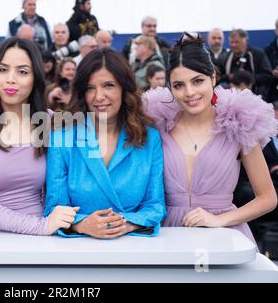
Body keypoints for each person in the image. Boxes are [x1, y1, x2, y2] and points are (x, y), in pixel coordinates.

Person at [143, 32, 277, 245]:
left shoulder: (238, 123)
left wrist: (219, 220)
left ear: (213, 77)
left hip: (224, 236)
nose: (189, 92)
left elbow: (268, 197)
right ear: (169, 87)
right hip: (168, 237)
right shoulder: (157, 125)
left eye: (198, 81)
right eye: (178, 85)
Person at [0, 38, 78, 235]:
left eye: (22, 72)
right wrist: (40, 227)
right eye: (3, 69)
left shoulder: (50, 120)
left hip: (43, 238)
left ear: (35, 78)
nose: (10, 79)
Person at [44, 48, 166, 238]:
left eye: (108, 85)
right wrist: (82, 224)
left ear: (124, 89)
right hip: (77, 250)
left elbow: (155, 206)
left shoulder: (149, 139)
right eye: (90, 88)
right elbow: (55, 207)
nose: (99, 96)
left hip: (134, 248)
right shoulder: (62, 138)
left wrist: (125, 224)